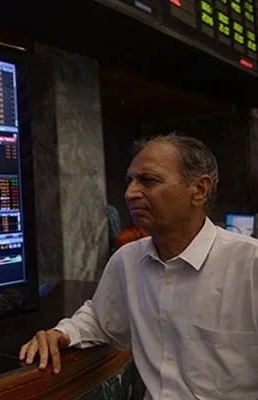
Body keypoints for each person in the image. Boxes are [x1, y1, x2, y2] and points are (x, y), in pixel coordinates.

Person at [18, 133, 258, 400]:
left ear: (199, 190)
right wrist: (62, 333)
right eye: (129, 181)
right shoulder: (128, 260)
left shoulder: (249, 265)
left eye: (148, 180)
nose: (130, 193)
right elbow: (100, 319)